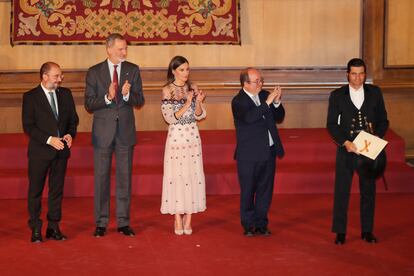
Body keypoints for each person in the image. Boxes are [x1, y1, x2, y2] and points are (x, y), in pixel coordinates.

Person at [85, 33, 145, 237]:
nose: (124, 52)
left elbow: (139, 100)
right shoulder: (94, 72)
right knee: (101, 178)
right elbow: (89, 104)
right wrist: (108, 97)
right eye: (120, 49)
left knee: (124, 178)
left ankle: (123, 222)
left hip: (125, 133)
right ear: (109, 49)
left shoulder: (132, 70)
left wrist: (127, 95)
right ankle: (101, 223)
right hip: (103, 133)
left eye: (125, 48)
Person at [327, 58, 388, 245]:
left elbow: (383, 120)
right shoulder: (337, 95)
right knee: (342, 191)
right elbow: (331, 125)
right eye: (354, 73)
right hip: (347, 149)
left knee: (368, 191)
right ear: (347, 74)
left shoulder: (375, 93)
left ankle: (367, 230)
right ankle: (340, 232)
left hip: (368, 149)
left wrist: (375, 137)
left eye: (361, 73)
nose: (357, 77)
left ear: (365, 74)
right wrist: (345, 142)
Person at [22, 62, 79, 242]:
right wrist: (49, 139)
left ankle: (53, 227)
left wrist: (70, 134)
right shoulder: (31, 97)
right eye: (56, 76)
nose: (60, 79)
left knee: (56, 191)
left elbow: (73, 120)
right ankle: (36, 229)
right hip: (40, 152)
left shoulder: (66, 94)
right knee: (35, 191)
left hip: (61, 152)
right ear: (45, 76)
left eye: (60, 76)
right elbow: (28, 126)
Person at [231, 67, 285, 237]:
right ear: (245, 84)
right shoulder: (238, 101)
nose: (260, 84)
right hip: (249, 154)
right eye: (257, 81)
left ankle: (262, 223)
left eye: (261, 80)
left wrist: (276, 102)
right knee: (248, 191)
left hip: (268, 151)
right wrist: (268, 103)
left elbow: (279, 117)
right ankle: (248, 225)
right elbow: (250, 118)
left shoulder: (264, 95)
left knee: (265, 190)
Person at [160, 56, 207, 235]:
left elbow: (199, 115)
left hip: (192, 136)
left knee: (192, 175)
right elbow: (170, 118)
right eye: (181, 70)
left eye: (187, 69)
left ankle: (189, 217)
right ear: (173, 71)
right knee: (177, 176)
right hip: (177, 138)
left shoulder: (193, 88)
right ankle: (177, 217)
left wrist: (199, 102)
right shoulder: (167, 90)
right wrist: (187, 103)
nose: (185, 73)